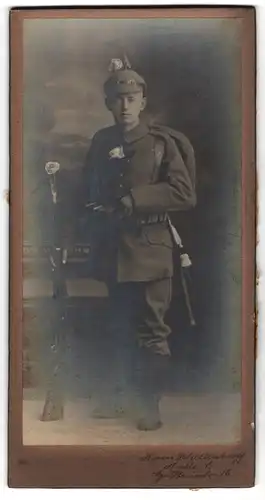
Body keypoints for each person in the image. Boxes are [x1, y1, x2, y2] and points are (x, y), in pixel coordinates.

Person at [78, 57, 196, 431]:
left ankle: (149, 405)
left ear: (144, 101)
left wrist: (135, 199)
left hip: (151, 250)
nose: (125, 105)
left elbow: (184, 192)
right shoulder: (101, 142)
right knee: (118, 324)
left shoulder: (162, 143)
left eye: (132, 98)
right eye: (117, 98)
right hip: (114, 249)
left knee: (151, 328)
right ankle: (119, 398)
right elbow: (88, 188)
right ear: (108, 103)